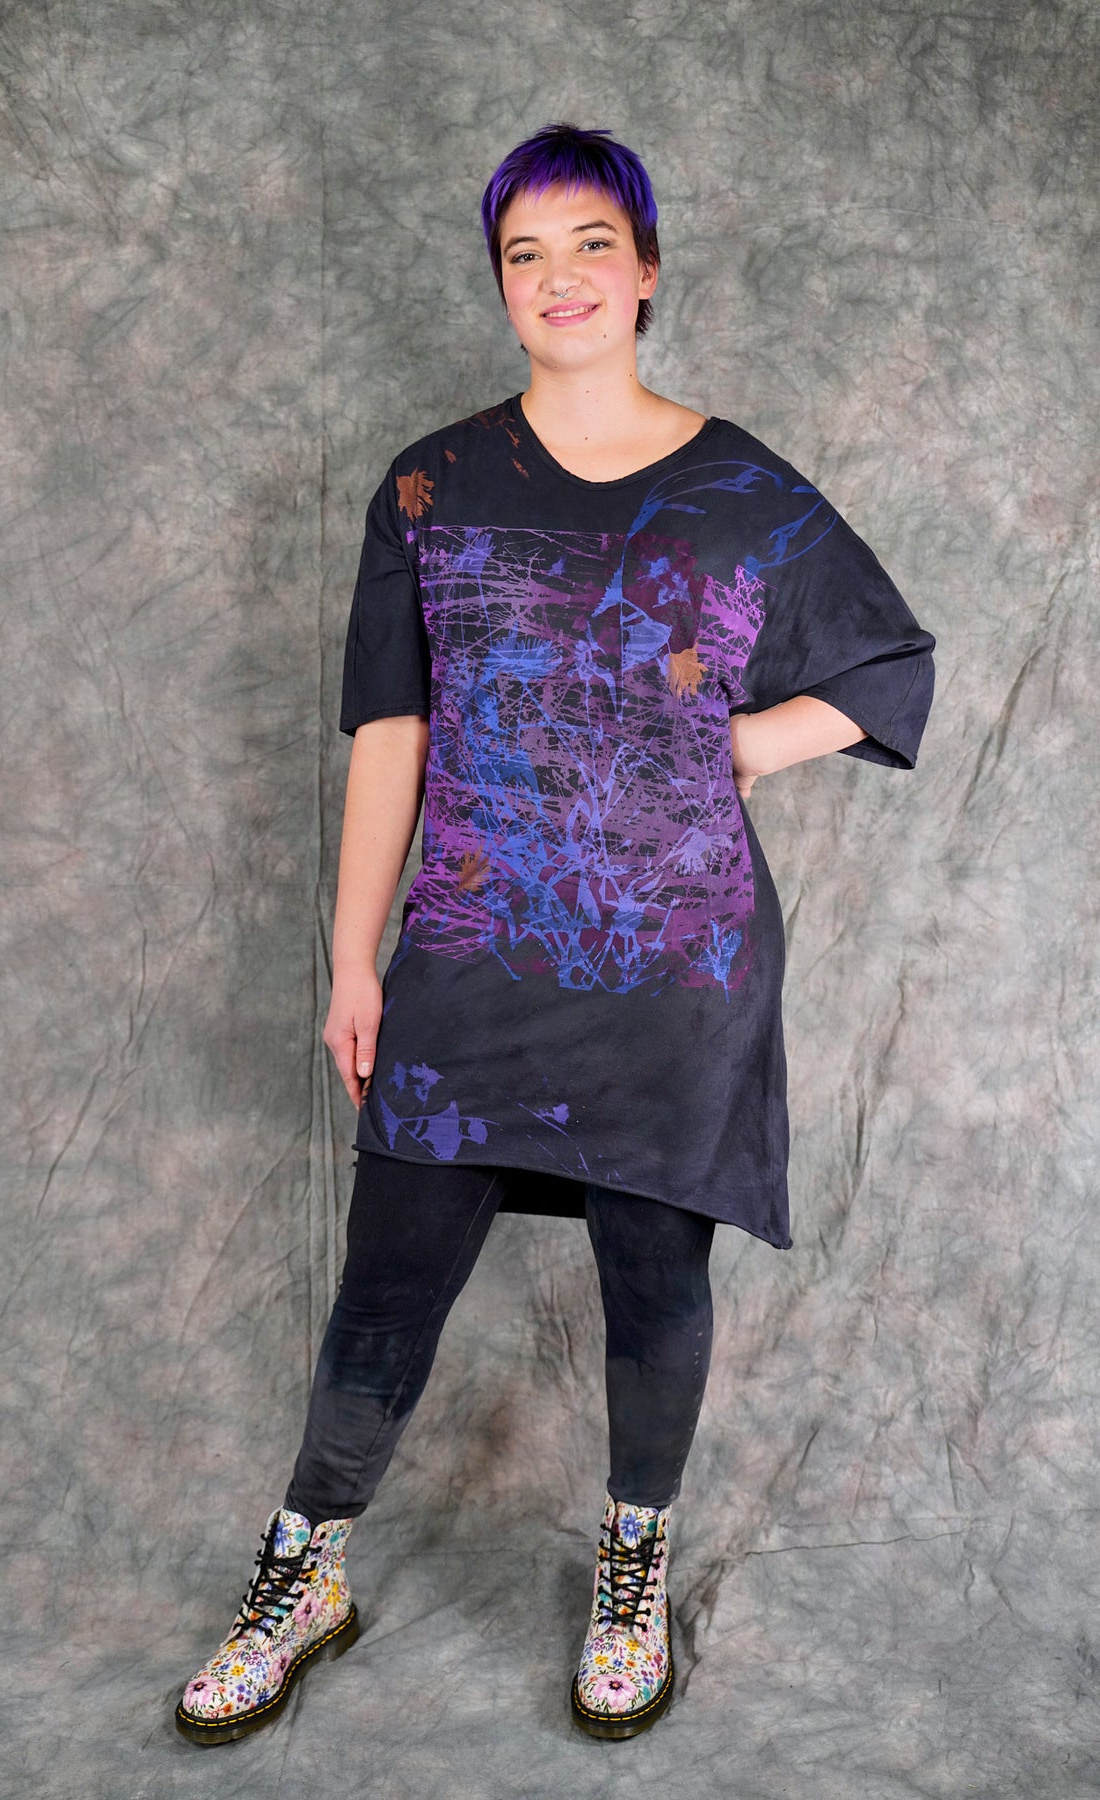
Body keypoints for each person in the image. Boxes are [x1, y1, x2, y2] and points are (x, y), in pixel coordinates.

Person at [173, 122, 936, 1748]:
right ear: (501, 286)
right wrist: (356, 959)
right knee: (386, 1283)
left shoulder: (743, 490)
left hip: (676, 975)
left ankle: (632, 1569)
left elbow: (886, 666)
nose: (561, 277)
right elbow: (393, 729)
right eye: (526, 253)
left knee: (654, 1277)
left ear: (646, 271)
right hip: (468, 960)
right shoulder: (431, 486)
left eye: (593, 243)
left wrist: (735, 743)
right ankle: (306, 1571)